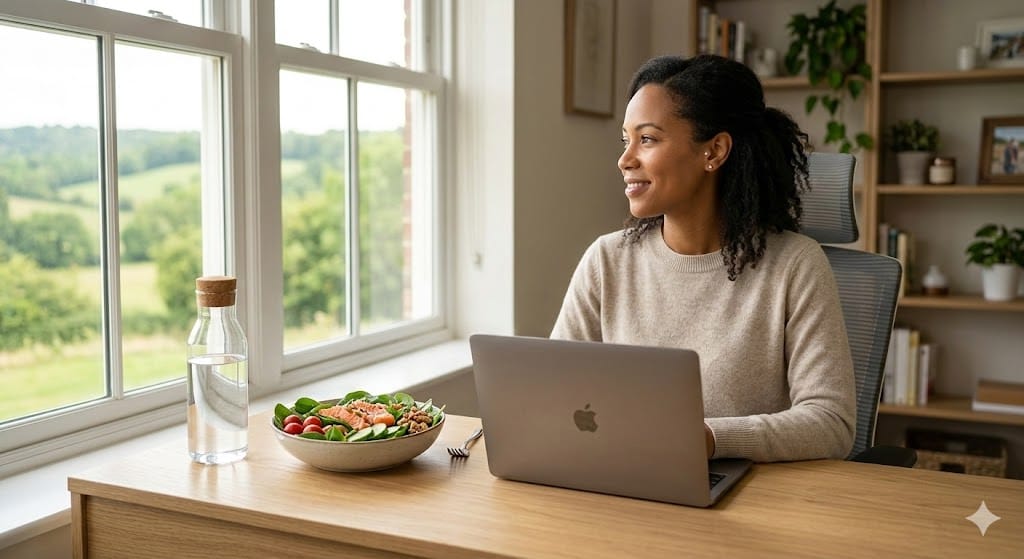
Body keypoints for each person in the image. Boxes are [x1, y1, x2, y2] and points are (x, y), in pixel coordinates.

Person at [550, 54, 856, 463]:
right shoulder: (606, 261)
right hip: (619, 473)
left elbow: (831, 423)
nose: (625, 160)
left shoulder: (796, 265)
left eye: (647, 139)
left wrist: (709, 439)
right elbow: (554, 392)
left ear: (714, 150)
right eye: (626, 140)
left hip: (744, 491)